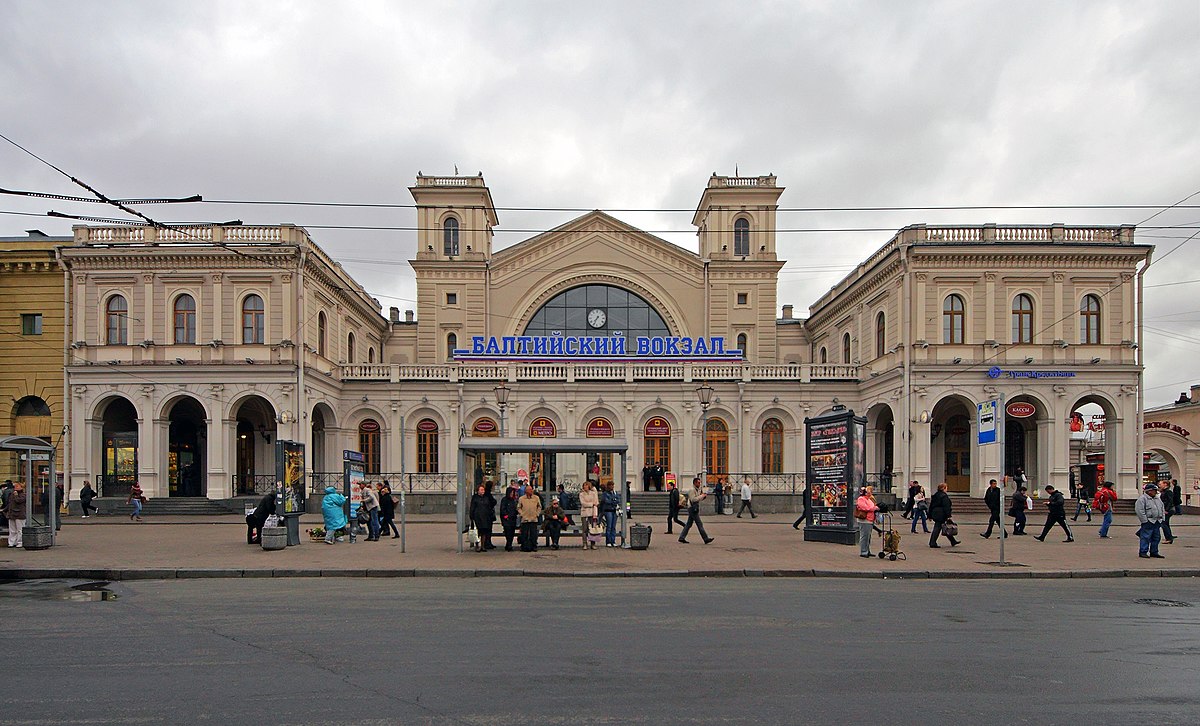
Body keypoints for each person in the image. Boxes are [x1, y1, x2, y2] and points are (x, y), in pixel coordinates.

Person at [679, 477, 714, 544]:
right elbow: (693, 499)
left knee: (689, 524)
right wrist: (701, 496)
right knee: (699, 524)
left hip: (694, 507)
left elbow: (697, 499)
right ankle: (705, 538)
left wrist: (703, 497)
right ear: (695, 483)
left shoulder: (697, 489)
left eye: (700, 482)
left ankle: (682, 537)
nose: (699, 484)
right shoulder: (692, 490)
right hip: (692, 508)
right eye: (698, 482)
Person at [1135, 483, 1166, 559]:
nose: (1155, 492)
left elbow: (1162, 508)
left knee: (1156, 537)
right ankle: (1143, 552)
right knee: (1146, 537)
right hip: (1149, 520)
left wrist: (1162, 518)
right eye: (1154, 490)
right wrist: (1144, 520)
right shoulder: (1142, 499)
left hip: (1157, 521)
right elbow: (1139, 510)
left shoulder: (1157, 498)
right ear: (1149, 491)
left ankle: (1154, 552)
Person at [928, 482, 959, 548]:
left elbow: (931, 505)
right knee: (938, 527)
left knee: (946, 527)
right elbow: (946, 506)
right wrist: (948, 516)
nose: (947, 489)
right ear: (943, 488)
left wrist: (929, 515)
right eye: (946, 487)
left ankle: (953, 541)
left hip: (935, 513)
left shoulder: (936, 495)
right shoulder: (944, 496)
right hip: (941, 514)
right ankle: (932, 542)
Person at [854, 485, 879, 558]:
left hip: (870, 520)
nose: (869, 493)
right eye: (867, 492)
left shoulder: (869, 499)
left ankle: (867, 550)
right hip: (864, 520)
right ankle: (863, 551)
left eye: (870, 492)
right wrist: (874, 508)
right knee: (864, 536)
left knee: (868, 536)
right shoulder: (861, 499)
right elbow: (864, 507)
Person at [517, 485, 542, 552]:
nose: (531, 491)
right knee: (524, 533)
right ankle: (524, 546)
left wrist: (537, 514)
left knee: (533, 534)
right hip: (525, 519)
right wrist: (522, 514)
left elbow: (539, 506)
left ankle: (534, 546)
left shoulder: (536, 498)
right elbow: (518, 507)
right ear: (526, 491)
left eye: (531, 489)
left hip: (533, 518)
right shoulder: (521, 498)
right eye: (529, 490)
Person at [468, 484, 492, 552]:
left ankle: (483, 546)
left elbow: (489, 506)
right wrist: (471, 516)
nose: (483, 491)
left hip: (485, 517)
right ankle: (477, 545)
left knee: (484, 532)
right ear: (478, 491)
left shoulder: (486, 498)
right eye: (481, 490)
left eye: (483, 490)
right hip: (477, 517)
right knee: (477, 532)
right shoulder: (475, 498)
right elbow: (472, 507)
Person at [5, 481, 28, 548]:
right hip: (12, 513)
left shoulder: (23, 494)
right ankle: (12, 542)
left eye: (17, 486)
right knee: (12, 529)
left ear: (21, 487)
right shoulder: (12, 494)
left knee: (19, 529)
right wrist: (4, 509)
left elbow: (18, 501)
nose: (15, 487)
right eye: (15, 486)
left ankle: (20, 542)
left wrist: (16, 495)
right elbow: (10, 503)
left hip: (20, 514)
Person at [600, 482, 621, 548]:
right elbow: (606, 501)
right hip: (608, 511)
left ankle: (613, 541)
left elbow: (618, 500)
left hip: (614, 510)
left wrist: (613, 501)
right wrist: (613, 501)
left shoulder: (615, 492)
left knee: (613, 527)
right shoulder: (605, 493)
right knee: (609, 526)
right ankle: (608, 541)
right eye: (610, 485)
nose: (612, 486)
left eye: (613, 485)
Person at [500, 486, 519, 551]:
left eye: (513, 493)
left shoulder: (514, 500)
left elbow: (516, 509)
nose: (512, 494)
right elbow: (502, 509)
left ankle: (509, 544)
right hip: (507, 519)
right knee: (508, 532)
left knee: (512, 532)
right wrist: (506, 516)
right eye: (511, 493)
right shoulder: (504, 500)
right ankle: (509, 544)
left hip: (513, 519)